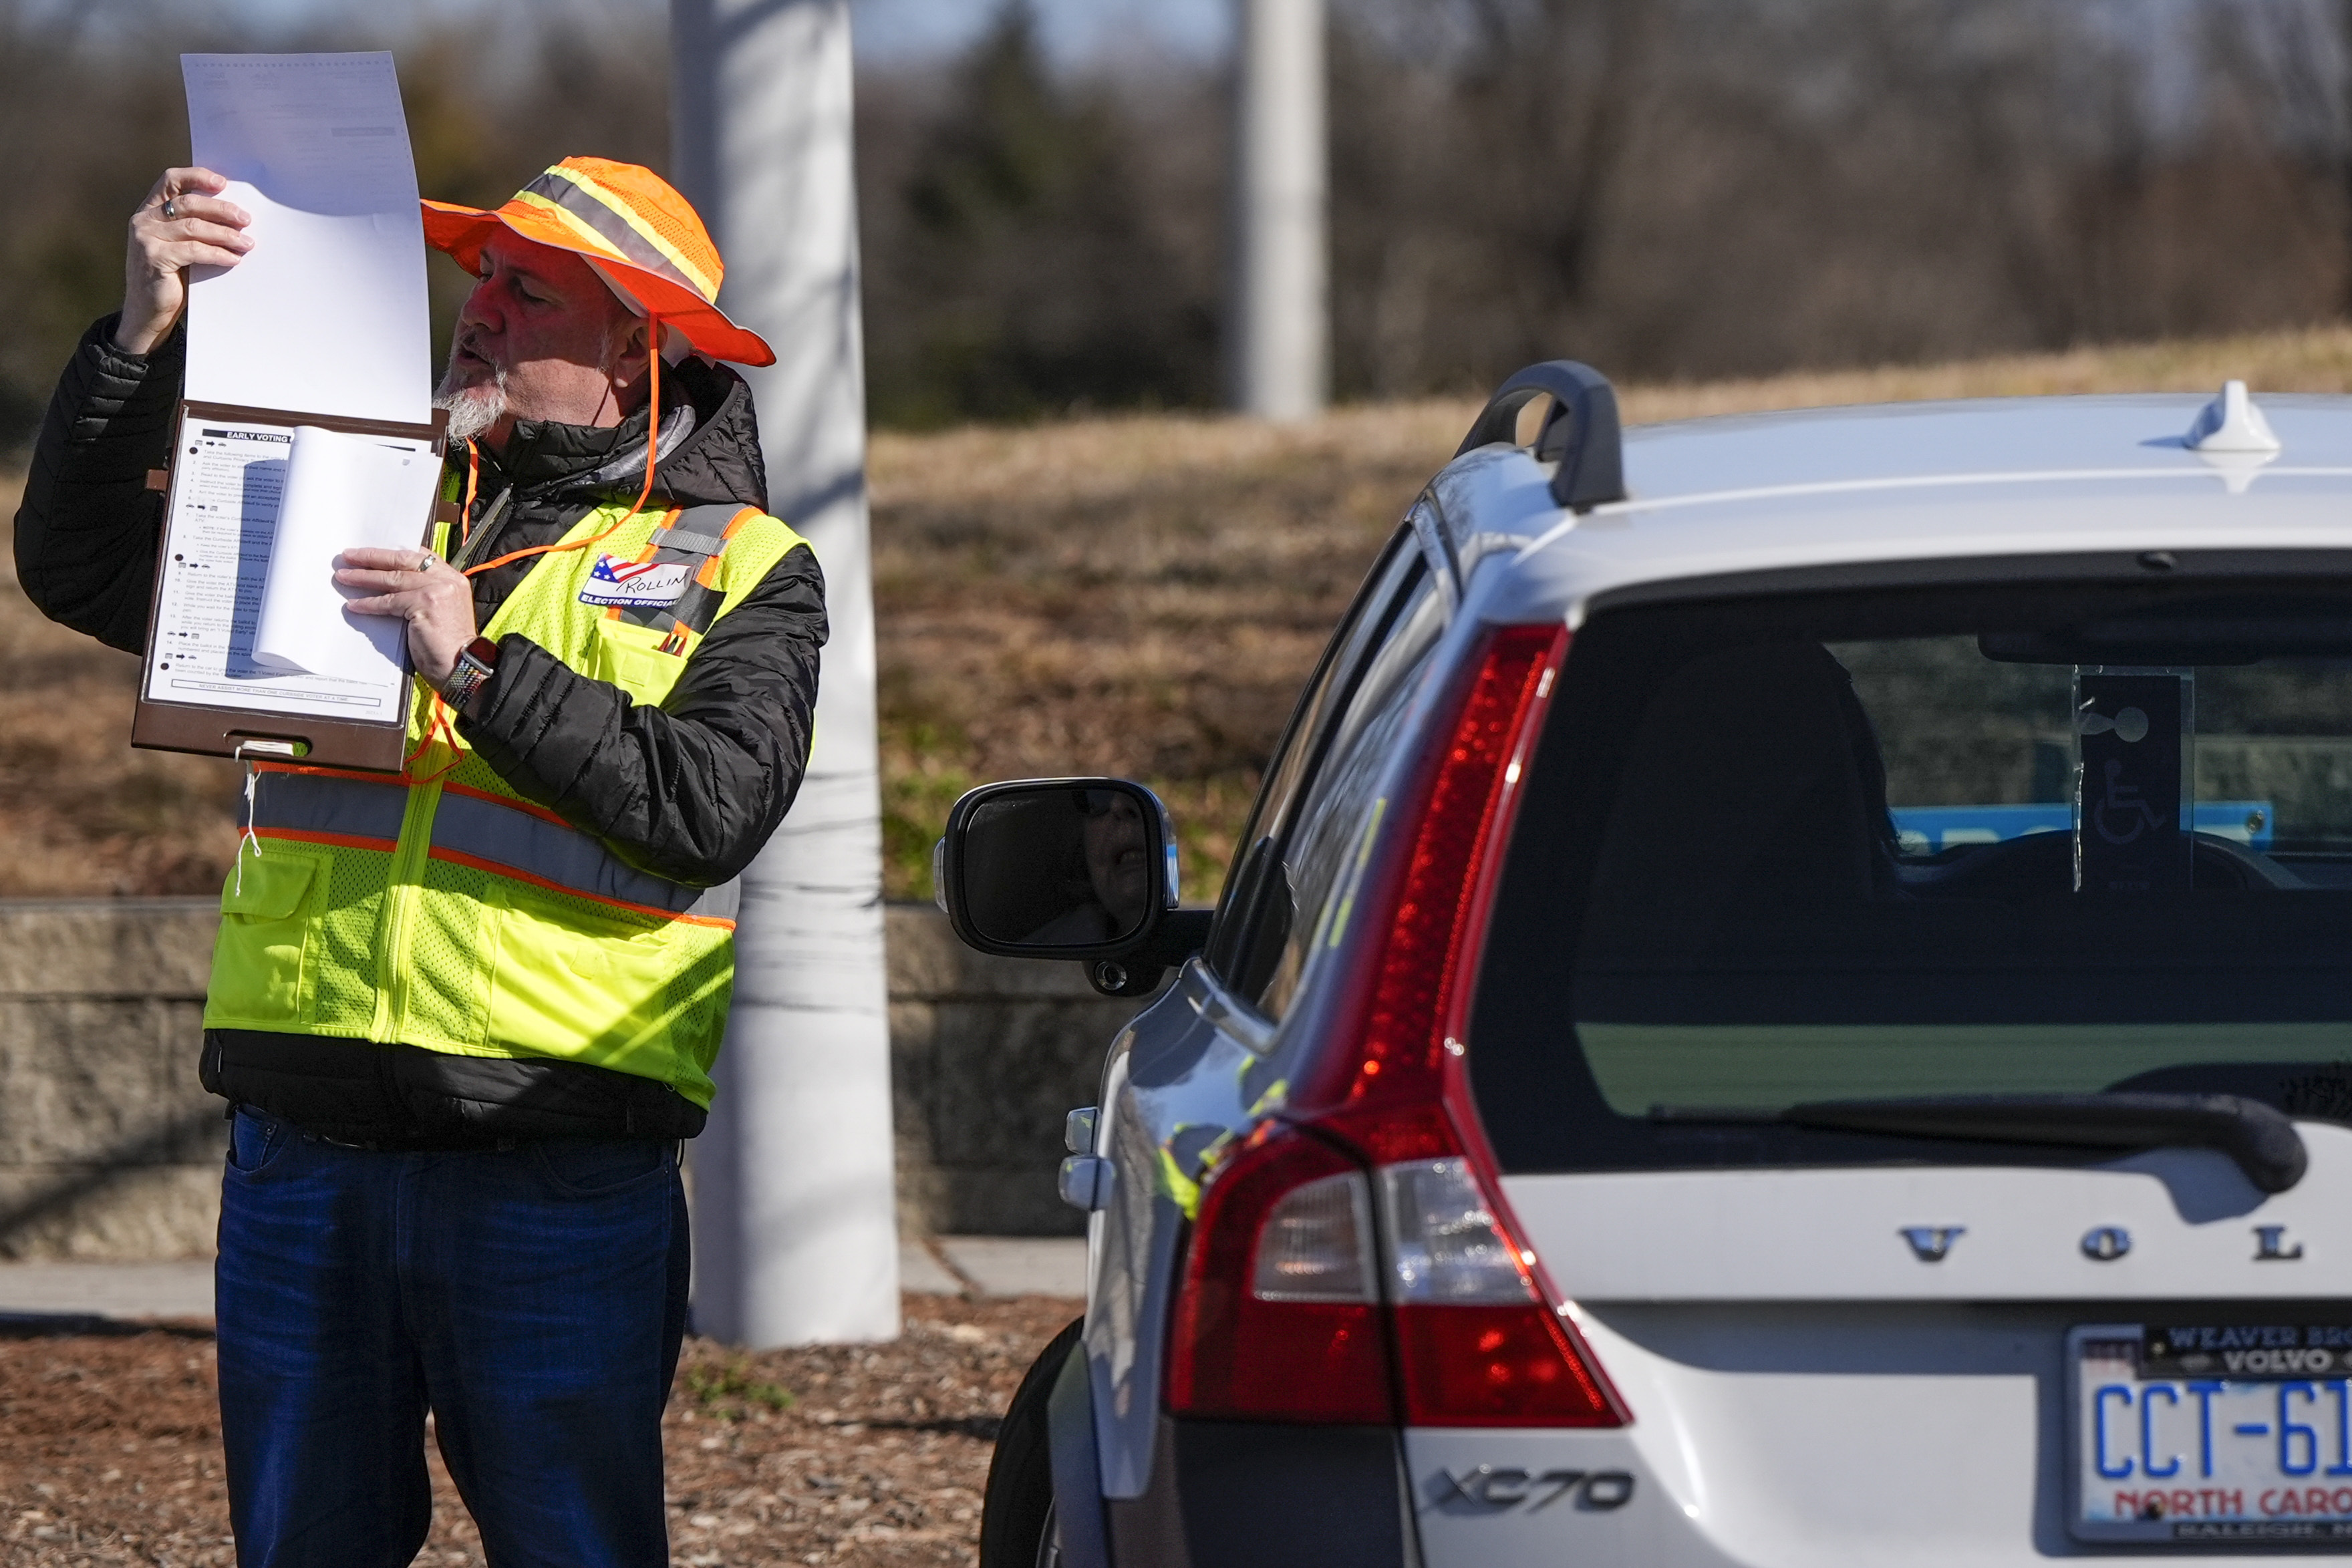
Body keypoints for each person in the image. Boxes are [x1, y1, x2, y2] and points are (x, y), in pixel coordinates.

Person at [13, 157, 827, 1567]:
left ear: (635, 350)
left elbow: (713, 806)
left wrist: (481, 667)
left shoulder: (742, 563)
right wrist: (140, 336)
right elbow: (81, 568)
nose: (480, 310)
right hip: (303, 1162)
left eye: (528, 290)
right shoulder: (356, 486)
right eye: (481, 280)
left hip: (558, 1178)